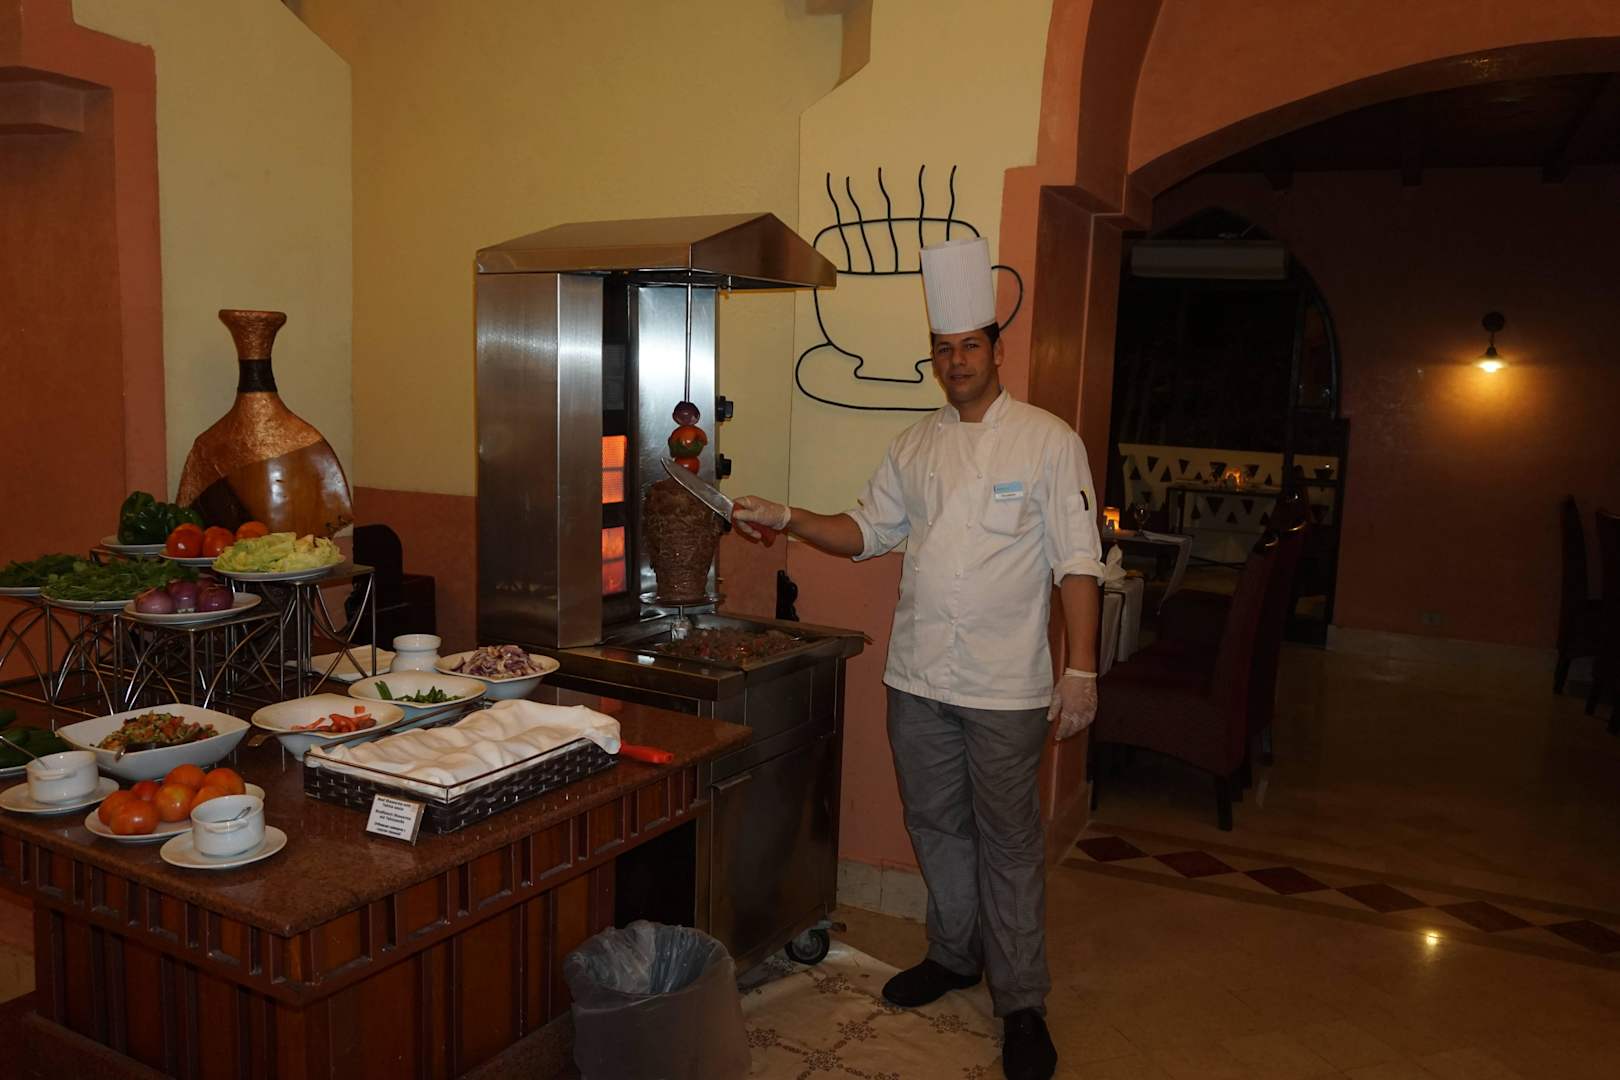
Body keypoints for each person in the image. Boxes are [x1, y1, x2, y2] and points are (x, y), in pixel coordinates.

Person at [732, 236, 1103, 1080]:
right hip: (918, 678)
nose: (956, 360)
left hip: (1006, 688)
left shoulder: (1048, 441)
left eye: (969, 345)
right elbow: (866, 531)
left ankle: (1022, 1002)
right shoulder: (914, 445)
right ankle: (953, 955)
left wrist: (1081, 669)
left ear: (996, 351)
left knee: (1008, 842)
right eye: (943, 348)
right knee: (935, 826)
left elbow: (1077, 561)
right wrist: (788, 516)